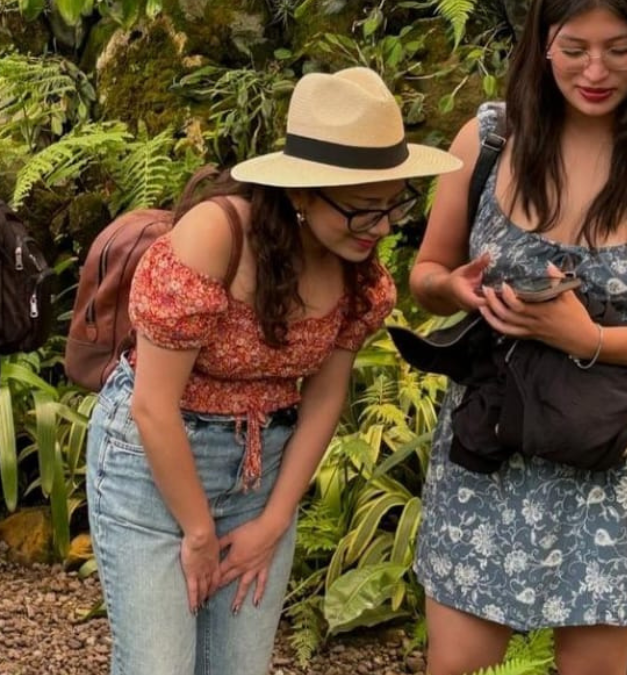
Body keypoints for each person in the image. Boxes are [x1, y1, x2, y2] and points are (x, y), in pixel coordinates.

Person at [84, 67, 462, 674]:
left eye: (394, 204)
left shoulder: (354, 264)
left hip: (261, 473)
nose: (384, 227)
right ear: (302, 195)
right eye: (365, 210)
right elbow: (152, 406)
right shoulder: (214, 235)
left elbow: (324, 397)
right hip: (153, 467)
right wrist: (199, 533)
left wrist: (275, 519)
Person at [408, 0, 627, 673]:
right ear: (542, 42)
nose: (595, 70)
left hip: (619, 449)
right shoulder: (489, 140)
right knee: (458, 665)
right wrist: (457, 288)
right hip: (496, 439)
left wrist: (587, 336)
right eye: (574, 47)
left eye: (620, 49)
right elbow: (425, 273)